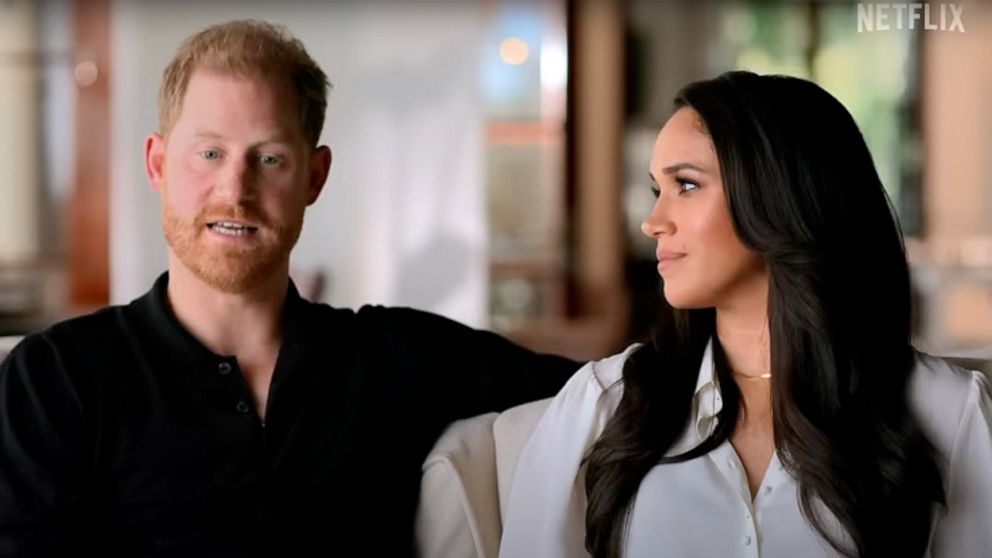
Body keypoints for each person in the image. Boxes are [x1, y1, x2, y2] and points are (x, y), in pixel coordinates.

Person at [0, 20, 579, 557]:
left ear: (314, 176)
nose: (236, 189)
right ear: (157, 165)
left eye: (270, 158)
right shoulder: (55, 380)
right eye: (209, 153)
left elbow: (610, 390)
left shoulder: (393, 358)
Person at [498, 71, 992, 558]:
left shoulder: (950, 412)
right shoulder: (602, 405)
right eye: (657, 191)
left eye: (686, 186)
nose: (653, 223)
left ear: (779, 196)